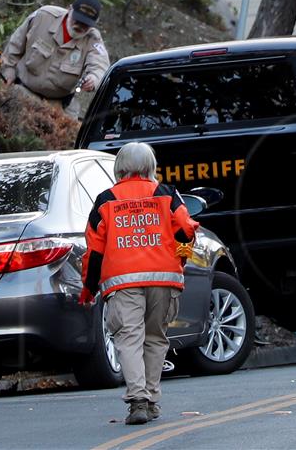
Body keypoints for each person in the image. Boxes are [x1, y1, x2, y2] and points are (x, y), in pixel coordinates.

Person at [79, 142, 199, 425]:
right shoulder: (166, 194)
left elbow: (94, 251)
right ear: (150, 166)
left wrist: (89, 288)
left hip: (122, 284)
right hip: (164, 279)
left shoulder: (105, 199)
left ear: (119, 167)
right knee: (156, 339)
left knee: (128, 339)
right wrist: (179, 261)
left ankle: (138, 402)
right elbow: (186, 231)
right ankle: (153, 400)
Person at [0, 0, 110, 115]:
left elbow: (100, 67)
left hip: (59, 105)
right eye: (77, 20)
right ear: (69, 10)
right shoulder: (43, 16)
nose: (80, 26)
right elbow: (15, 45)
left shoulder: (93, 39)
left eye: (86, 24)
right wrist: (8, 70)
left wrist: (93, 79)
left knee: (73, 131)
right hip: (24, 90)